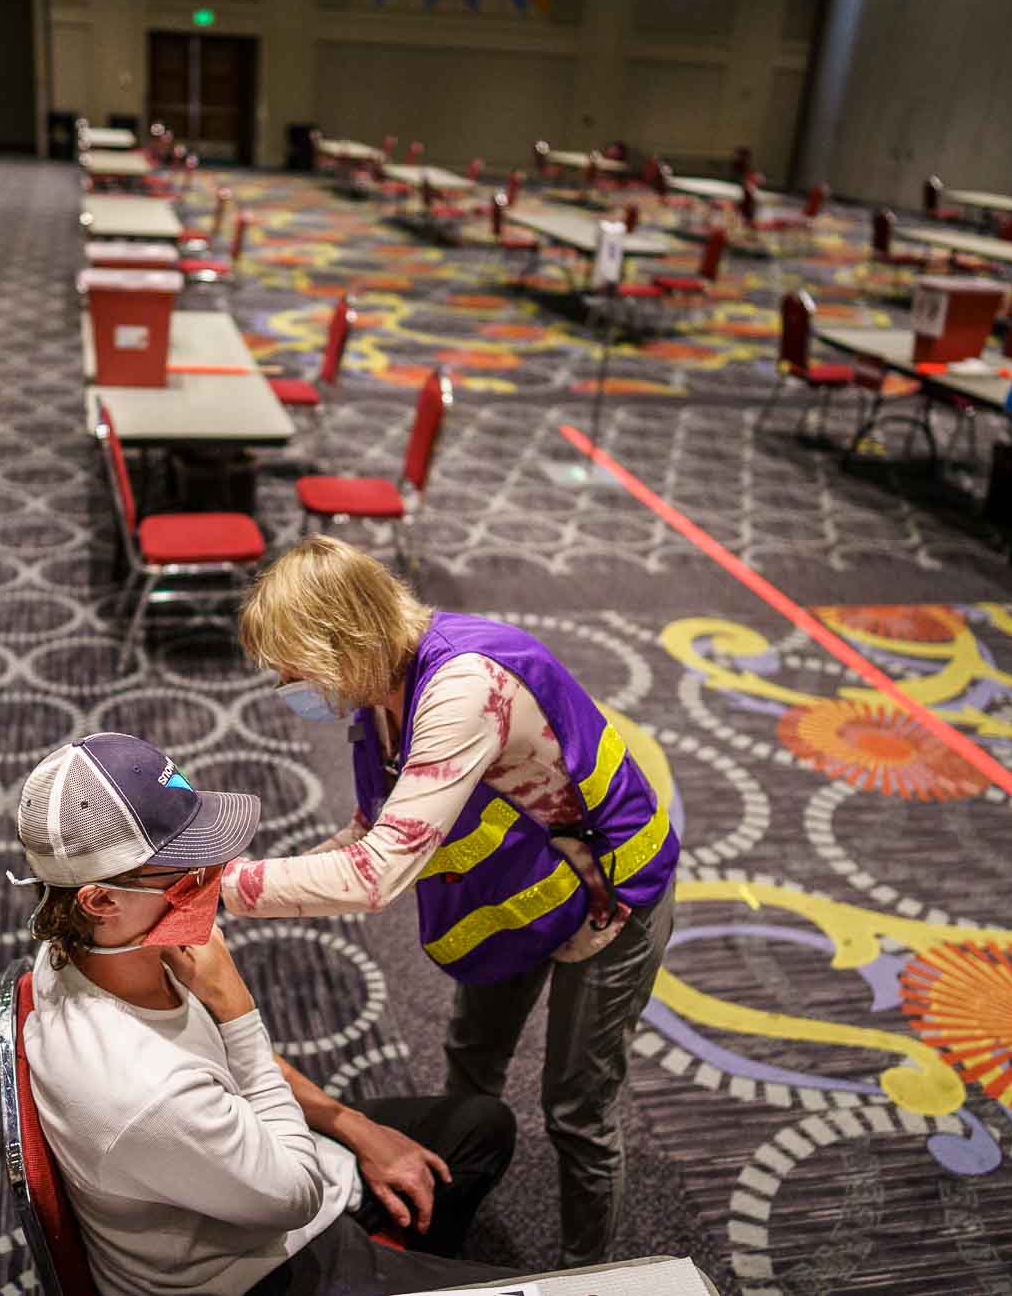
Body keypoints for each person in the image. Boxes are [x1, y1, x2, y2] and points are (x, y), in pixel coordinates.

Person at [224, 536, 680, 1268]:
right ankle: (456, 1204)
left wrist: (227, 887)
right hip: (517, 894)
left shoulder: (465, 689)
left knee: (577, 1112)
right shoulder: (380, 691)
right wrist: (275, 875)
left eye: (292, 664)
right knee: (471, 1065)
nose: (284, 681)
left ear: (346, 639)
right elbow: (373, 829)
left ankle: (586, 1272)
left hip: (611, 899)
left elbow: (375, 876)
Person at [11, 732, 518, 1296]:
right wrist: (236, 1009)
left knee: (483, 1126)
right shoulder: (143, 1092)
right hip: (252, 1270)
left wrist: (349, 1123)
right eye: (187, 866)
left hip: (256, 1164)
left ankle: (412, 1256)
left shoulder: (89, 946)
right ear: (101, 901)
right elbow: (298, 1195)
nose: (216, 872)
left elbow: (223, 1069)